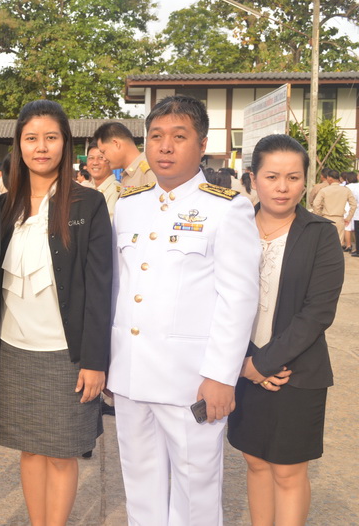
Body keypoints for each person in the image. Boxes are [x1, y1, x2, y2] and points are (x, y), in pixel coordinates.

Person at [108, 95, 261, 525]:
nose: (165, 146)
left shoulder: (225, 208)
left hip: (191, 381)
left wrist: (221, 376)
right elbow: (118, 289)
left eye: (179, 136)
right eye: (156, 136)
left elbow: (238, 298)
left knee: (196, 490)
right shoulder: (129, 204)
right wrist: (108, 361)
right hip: (132, 374)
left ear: (202, 144)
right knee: (139, 484)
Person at [0, 100, 112, 524]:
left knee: (61, 453)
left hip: (66, 354)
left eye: (51, 138)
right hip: (13, 350)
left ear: (65, 144)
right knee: (30, 449)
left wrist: (95, 361)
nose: (41, 147)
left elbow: (101, 288)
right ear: (18, 145)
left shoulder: (88, 205)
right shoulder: (2, 208)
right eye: (31, 138)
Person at [227, 134, 344, 526]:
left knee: (288, 471)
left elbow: (317, 312)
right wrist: (246, 363)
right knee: (255, 462)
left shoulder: (320, 234)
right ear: (253, 179)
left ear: (304, 182)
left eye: (293, 177)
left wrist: (263, 364)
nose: (282, 187)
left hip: (297, 373)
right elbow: (215, 299)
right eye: (272, 176)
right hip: (242, 367)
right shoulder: (233, 228)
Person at [93, 121, 156, 188]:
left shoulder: (150, 171)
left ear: (116, 144)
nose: (104, 159)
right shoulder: (128, 174)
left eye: (103, 152)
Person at [312, 168, 356, 249]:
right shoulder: (346, 190)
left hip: (326, 219)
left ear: (330, 178)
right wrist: (348, 217)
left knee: (325, 244)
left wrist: (319, 215)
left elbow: (315, 204)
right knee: (338, 245)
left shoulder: (324, 190)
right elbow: (354, 204)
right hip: (339, 219)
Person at [87, 144, 121, 221]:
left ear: (110, 161)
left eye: (101, 158)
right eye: (91, 158)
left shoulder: (115, 191)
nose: (95, 162)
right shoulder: (88, 189)